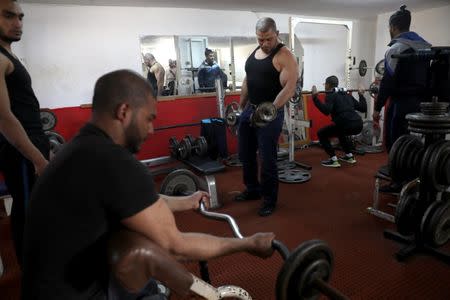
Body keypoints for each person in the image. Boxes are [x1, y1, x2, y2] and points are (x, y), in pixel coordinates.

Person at [22, 69, 275, 299]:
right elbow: (176, 246)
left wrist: (185, 201)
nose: (152, 129)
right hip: (84, 293)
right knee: (151, 279)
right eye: (149, 118)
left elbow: (128, 201)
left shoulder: (78, 150)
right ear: (124, 112)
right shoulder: (116, 162)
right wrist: (247, 243)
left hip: (44, 288)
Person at [0, 0, 50, 265]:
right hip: (22, 152)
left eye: (21, 17)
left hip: (31, 146)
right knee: (28, 209)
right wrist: (37, 158)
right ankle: (34, 275)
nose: (18, 23)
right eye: (9, 16)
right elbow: (4, 117)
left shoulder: (9, 56)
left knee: (35, 207)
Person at [235, 17, 298, 217]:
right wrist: (241, 105)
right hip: (249, 110)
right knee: (245, 152)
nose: (264, 44)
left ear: (276, 33)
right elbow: (248, 81)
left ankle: (269, 199)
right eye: (260, 39)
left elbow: (289, 88)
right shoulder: (254, 53)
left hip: (271, 113)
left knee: (267, 157)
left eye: (268, 39)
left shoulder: (285, 55)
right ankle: (252, 189)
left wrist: (269, 110)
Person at [372, 5, 431, 192]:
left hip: (400, 104)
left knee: (395, 142)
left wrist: (377, 107)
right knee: (413, 142)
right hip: (422, 104)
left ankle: (398, 183)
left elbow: (387, 82)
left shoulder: (395, 49)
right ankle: (413, 178)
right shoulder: (425, 47)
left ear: (393, 28)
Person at [311, 76, 367, 168]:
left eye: (325, 84)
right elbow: (363, 108)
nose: (325, 86)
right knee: (340, 132)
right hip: (358, 125)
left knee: (321, 133)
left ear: (328, 85)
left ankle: (333, 159)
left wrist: (315, 99)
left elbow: (326, 111)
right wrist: (361, 95)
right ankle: (349, 156)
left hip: (346, 124)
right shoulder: (347, 95)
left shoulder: (330, 95)